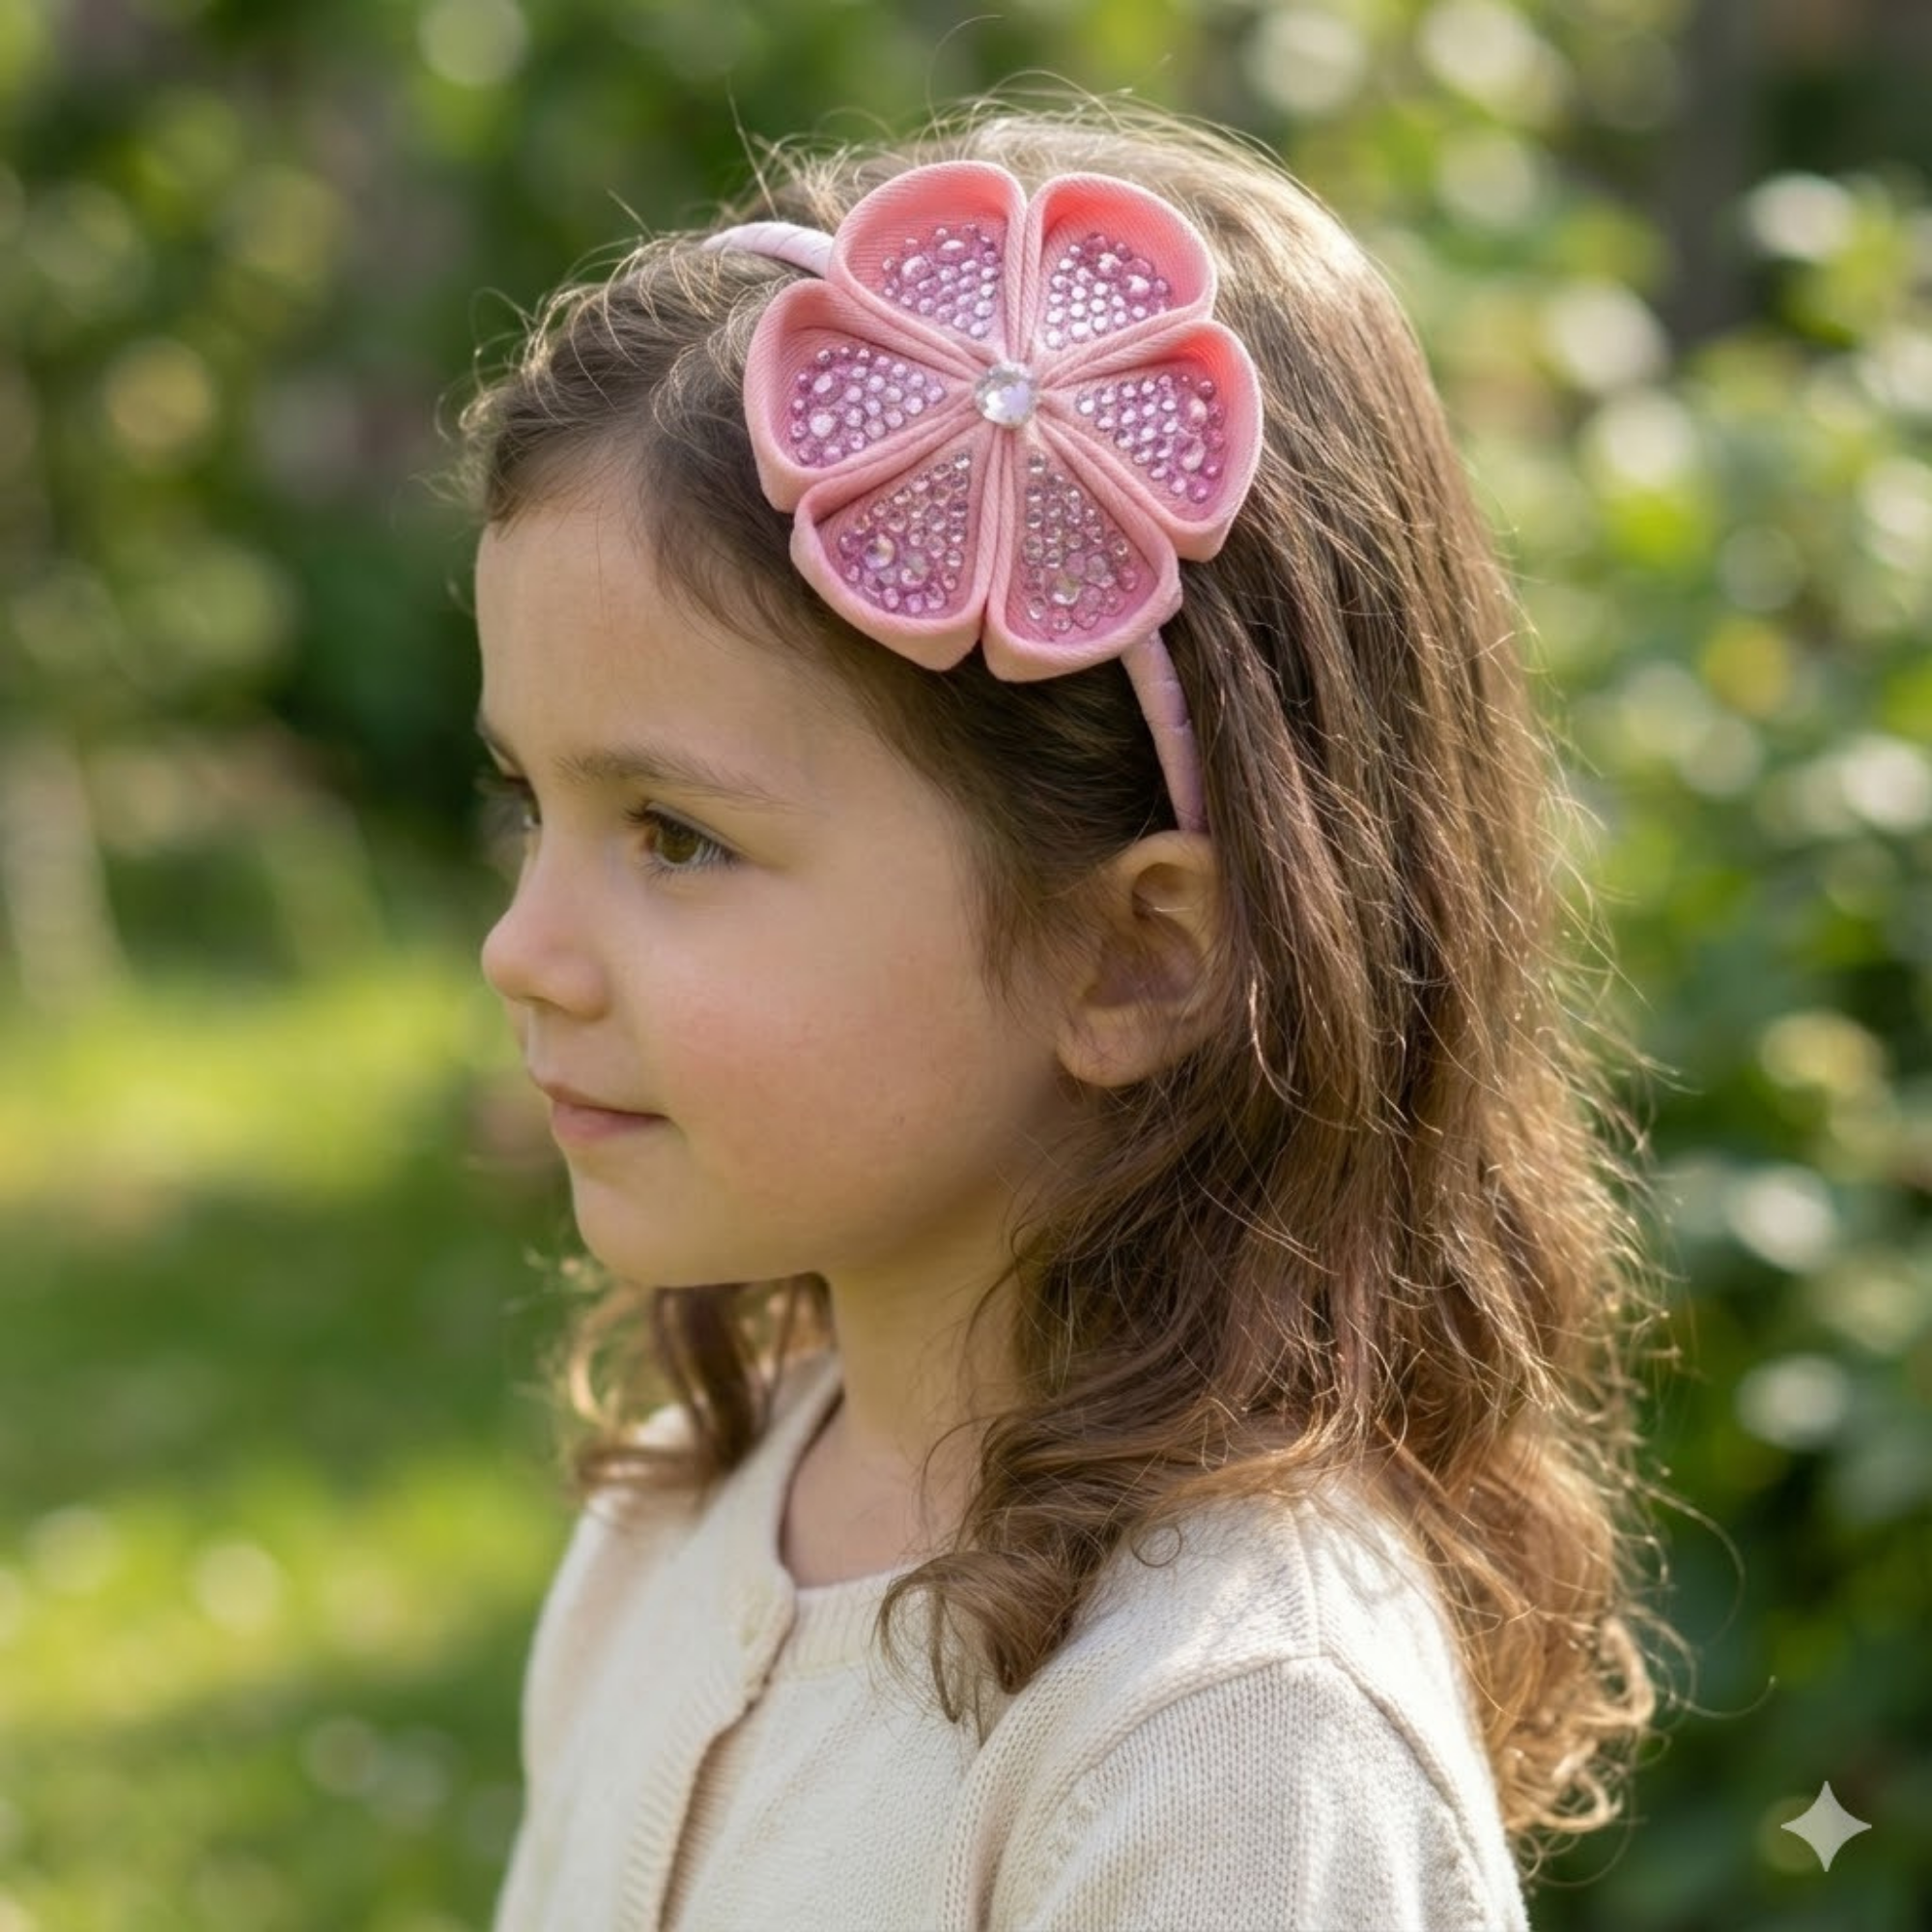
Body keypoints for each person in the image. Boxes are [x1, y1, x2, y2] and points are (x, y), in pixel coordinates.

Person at [461, 95, 1661, 1932]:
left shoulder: (1228, 1744)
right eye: (528, 811)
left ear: (1137, 959)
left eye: (676, 838)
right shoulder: (684, 1522)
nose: (522, 949)